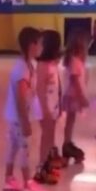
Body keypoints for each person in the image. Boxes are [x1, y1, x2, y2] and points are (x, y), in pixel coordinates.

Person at [4, 28, 47, 191]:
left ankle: (9, 179)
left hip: (18, 116)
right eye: (40, 44)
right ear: (31, 45)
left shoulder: (28, 65)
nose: (41, 47)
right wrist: (25, 122)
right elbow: (20, 98)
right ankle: (28, 183)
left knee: (14, 146)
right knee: (25, 149)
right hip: (20, 117)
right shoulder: (22, 69)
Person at [34, 30, 64, 183]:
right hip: (45, 105)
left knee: (50, 137)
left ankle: (47, 165)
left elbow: (57, 85)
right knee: (46, 137)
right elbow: (39, 88)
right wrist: (44, 108)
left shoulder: (52, 63)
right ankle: (41, 168)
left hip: (53, 103)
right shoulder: (42, 65)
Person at [60, 32, 90, 164]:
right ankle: (66, 143)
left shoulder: (76, 61)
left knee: (71, 120)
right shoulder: (75, 61)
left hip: (73, 95)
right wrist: (81, 97)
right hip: (72, 95)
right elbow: (75, 81)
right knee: (70, 120)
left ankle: (68, 141)